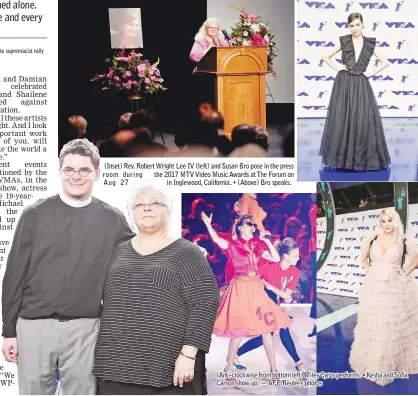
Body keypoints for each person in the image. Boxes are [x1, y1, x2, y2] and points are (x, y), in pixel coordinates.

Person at [1, 139, 135, 395]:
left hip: (86, 328)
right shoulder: (34, 214)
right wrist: (9, 330)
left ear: (97, 173)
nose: (76, 176)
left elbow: (136, 260)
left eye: (84, 170)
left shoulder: (113, 219)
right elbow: (14, 274)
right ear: (59, 171)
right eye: (69, 169)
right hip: (33, 327)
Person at [93, 186, 220, 395]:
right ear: (132, 213)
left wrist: (188, 355)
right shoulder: (116, 251)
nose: (147, 208)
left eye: (155, 203)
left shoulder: (187, 252)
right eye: (139, 204)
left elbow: (206, 303)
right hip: (115, 368)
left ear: (167, 211)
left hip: (170, 370)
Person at [201, 212, 292, 373]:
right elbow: (217, 240)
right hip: (240, 288)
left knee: (266, 329)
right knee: (238, 330)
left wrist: (267, 242)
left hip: (256, 287)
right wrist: (208, 225)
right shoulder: (233, 244)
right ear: (240, 227)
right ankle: (228, 368)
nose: (253, 227)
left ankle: (274, 370)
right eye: (250, 224)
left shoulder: (258, 245)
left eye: (254, 224)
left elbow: (276, 259)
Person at [349, 208, 418, 386]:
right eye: (383, 221)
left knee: (392, 326)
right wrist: (368, 272)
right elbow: (363, 257)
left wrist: (406, 270)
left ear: (395, 220)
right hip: (374, 288)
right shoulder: (372, 238)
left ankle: (391, 366)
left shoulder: (403, 240)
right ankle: (375, 363)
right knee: (374, 323)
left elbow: (416, 257)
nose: (386, 224)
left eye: (390, 220)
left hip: (396, 288)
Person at [319, 12, 391, 170]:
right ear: (348, 26)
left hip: (361, 84)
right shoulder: (344, 41)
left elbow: (385, 62)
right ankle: (342, 159)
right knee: (342, 118)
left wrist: (370, 73)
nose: (354, 28)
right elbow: (325, 56)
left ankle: (360, 159)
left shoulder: (370, 43)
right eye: (351, 25)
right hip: (344, 83)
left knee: (363, 119)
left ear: (363, 25)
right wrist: (338, 67)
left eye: (357, 24)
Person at [235, 238, 308, 372]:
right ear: (286, 256)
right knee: (277, 329)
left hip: (272, 300)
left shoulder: (294, 272)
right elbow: (250, 280)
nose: (298, 258)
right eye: (295, 255)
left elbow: (286, 295)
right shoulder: (269, 267)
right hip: (258, 300)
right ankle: (298, 363)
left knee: (268, 334)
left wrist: (272, 287)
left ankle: (235, 354)